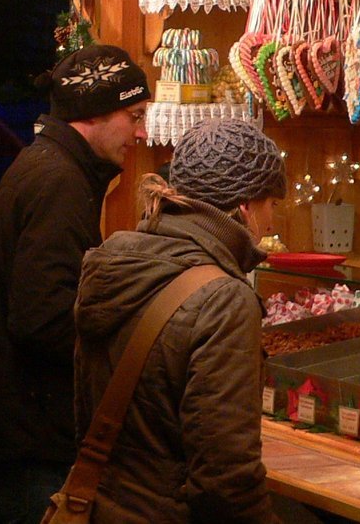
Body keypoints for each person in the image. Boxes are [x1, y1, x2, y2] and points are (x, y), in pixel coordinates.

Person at [0, 45, 149, 524]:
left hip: (7, 428)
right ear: (95, 112)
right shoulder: (59, 181)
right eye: (134, 115)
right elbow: (42, 317)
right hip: (23, 439)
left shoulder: (53, 167)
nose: (141, 132)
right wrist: (122, 350)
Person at [72, 119, 286, 523]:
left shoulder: (115, 261)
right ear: (244, 205)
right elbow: (225, 481)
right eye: (272, 204)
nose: (272, 223)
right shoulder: (223, 299)